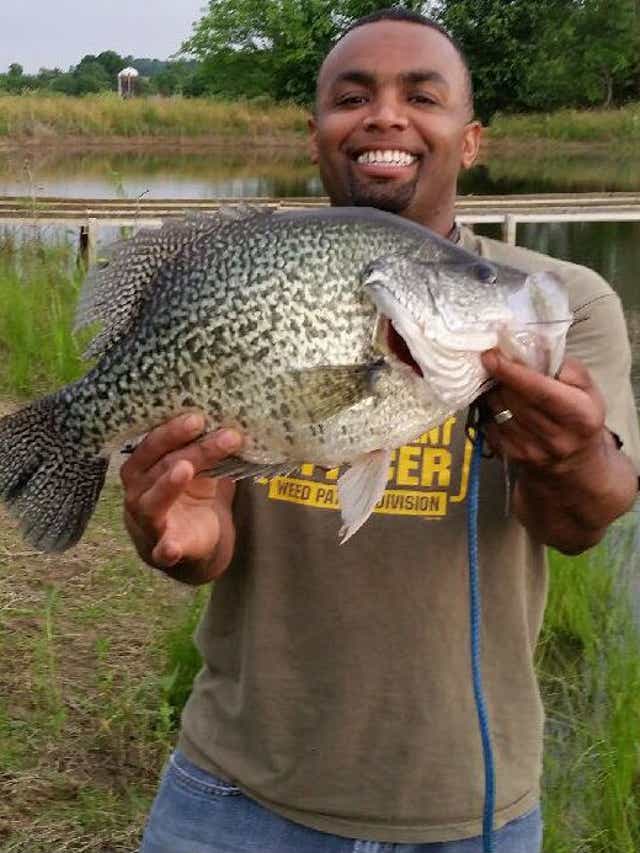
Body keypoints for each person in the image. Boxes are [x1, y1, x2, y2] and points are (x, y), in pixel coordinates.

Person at [132, 9, 640, 853]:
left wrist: (576, 458)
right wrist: (178, 539)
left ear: (469, 140)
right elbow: (209, 528)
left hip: (469, 806)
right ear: (316, 134)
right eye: (352, 96)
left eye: (422, 95)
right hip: (233, 791)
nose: (385, 116)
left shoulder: (558, 300)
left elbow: (581, 523)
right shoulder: (255, 266)